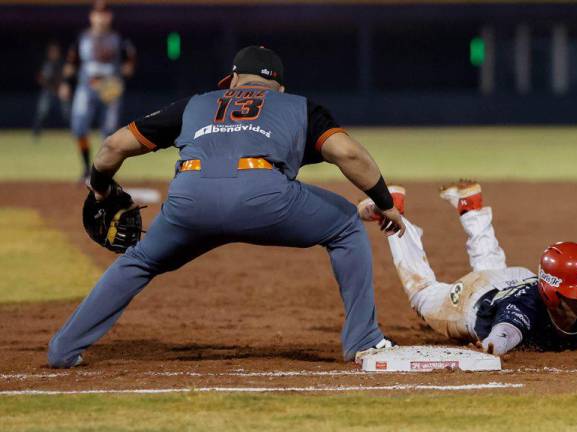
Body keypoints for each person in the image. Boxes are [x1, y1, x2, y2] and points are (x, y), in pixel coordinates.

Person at [47, 45, 404, 368]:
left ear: (233, 80)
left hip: (190, 202)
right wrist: (384, 202)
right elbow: (348, 152)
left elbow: (113, 146)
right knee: (344, 228)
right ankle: (363, 339)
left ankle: (63, 348)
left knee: (139, 261)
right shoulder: (298, 106)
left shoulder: (197, 103)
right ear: (279, 87)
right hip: (264, 200)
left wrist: (99, 190)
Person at [358, 181, 577, 355]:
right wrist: (488, 348)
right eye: (573, 298)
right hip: (475, 300)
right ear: (550, 294)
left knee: (492, 269)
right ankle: (393, 212)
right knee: (422, 293)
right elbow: (502, 336)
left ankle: (472, 209)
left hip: (515, 279)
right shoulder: (523, 311)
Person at [60, 1, 136, 180]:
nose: (101, 18)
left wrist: (122, 77)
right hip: (86, 89)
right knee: (79, 129)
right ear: (91, 16)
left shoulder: (119, 40)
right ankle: (86, 167)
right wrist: (65, 82)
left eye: (104, 14)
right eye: (97, 14)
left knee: (109, 135)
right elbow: (71, 63)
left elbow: (129, 64)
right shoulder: (82, 38)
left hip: (110, 93)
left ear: (110, 17)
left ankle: (102, 172)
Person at [32, 42, 70, 138]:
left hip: (60, 92)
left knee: (67, 112)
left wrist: (63, 86)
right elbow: (41, 79)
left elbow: (67, 77)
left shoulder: (62, 63)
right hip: (48, 92)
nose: (54, 53)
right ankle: (36, 133)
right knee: (42, 111)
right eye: (52, 51)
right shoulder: (47, 64)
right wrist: (52, 88)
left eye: (56, 51)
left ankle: (74, 132)